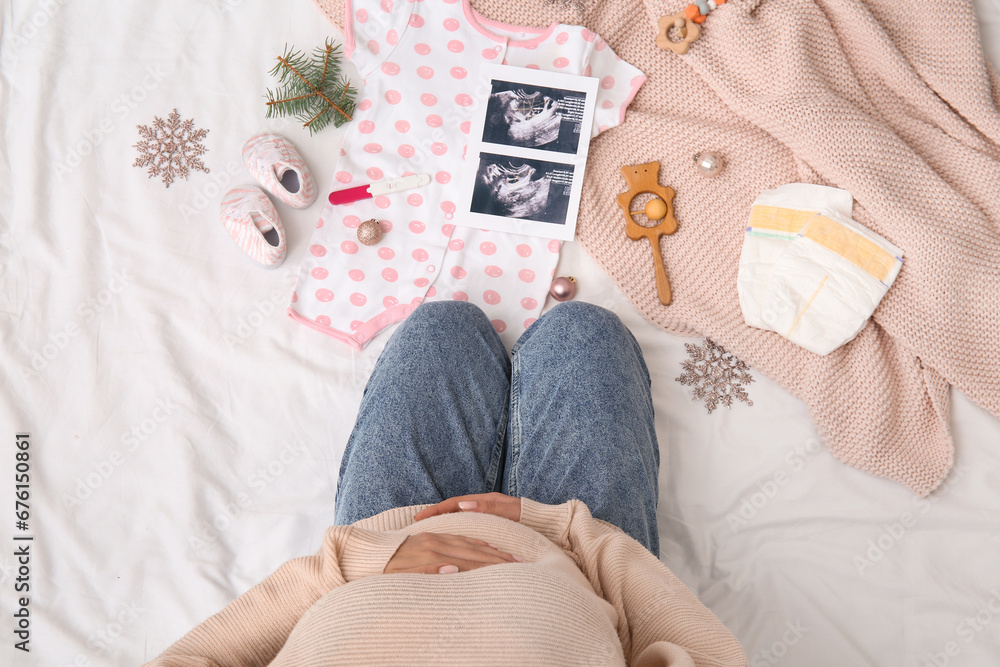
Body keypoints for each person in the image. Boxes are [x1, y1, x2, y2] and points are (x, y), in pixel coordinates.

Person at [146, 300, 748, 666]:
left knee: (443, 327)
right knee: (582, 334)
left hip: (388, 543)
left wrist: (355, 563)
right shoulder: (579, 541)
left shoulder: (365, 557)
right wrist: (563, 532)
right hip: (587, 558)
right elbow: (709, 654)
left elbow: (193, 657)